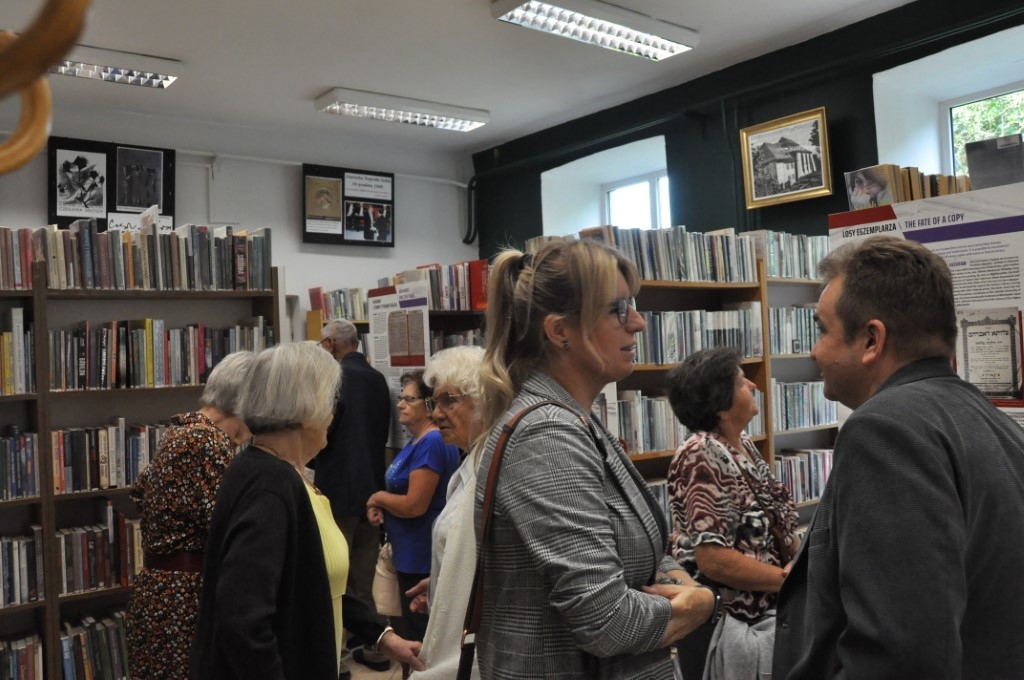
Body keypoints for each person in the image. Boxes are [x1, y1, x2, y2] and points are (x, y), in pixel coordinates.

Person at [773, 235, 1024, 680]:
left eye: (822, 330)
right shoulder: (993, 423)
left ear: (871, 339)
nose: (815, 351)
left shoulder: (884, 430)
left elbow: (900, 657)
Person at [473, 238, 717, 679]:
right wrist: (701, 602)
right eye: (618, 309)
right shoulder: (548, 435)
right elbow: (608, 622)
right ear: (559, 331)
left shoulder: (575, 419)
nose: (638, 323)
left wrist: (671, 576)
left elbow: (640, 551)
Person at [189, 342, 424, 680]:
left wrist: (381, 635)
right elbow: (242, 620)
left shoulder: (280, 473)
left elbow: (316, 584)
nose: (333, 414)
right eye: (331, 402)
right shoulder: (269, 485)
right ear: (306, 408)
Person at [665, 348, 800, 680]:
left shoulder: (743, 444)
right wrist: (788, 581)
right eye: (741, 382)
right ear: (720, 404)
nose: (753, 385)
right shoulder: (700, 453)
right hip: (726, 628)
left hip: (764, 619)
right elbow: (714, 559)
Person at [126, 351, 254, 680]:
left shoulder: (181, 430)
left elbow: (140, 491)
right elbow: (228, 525)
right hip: (184, 597)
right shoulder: (206, 441)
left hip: (159, 591)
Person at [315, 319, 394, 673]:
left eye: (322, 343)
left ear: (332, 343)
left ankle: (334, 658)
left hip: (338, 490)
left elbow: (326, 431)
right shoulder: (378, 379)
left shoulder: (333, 379)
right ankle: (373, 647)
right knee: (365, 576)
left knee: (334, 577)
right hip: (373, 490)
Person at [405, 345, 486, 680]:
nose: (436, 414)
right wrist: (442, 580)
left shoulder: (494, 469)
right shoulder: (469, 463)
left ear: (484, 400)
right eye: (433, 403)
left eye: (448, 401)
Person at [366, 370, 460, 642]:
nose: (400, 405)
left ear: (429, 406)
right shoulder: (417, 440)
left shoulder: (431, 442)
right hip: (409, 550)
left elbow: (414, 505)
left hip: (420, 554)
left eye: (410, 399)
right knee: (408, 630)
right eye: (401, 398)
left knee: (419, 637)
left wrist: (377, 498)